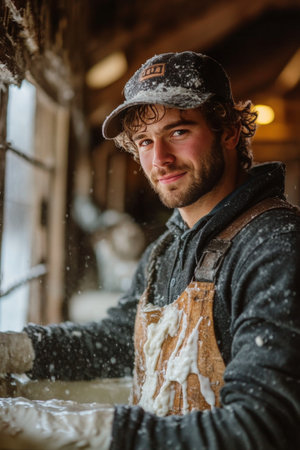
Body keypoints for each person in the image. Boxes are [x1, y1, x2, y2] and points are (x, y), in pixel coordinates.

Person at [0, 51, 300, 449]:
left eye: (178, 132)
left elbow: (262, 428)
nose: (159, 159)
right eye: (144, 140)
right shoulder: (167, 248)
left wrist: (92, 432)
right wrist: (16, 349)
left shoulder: (276, 249)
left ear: (228, 130)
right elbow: (121, 341)